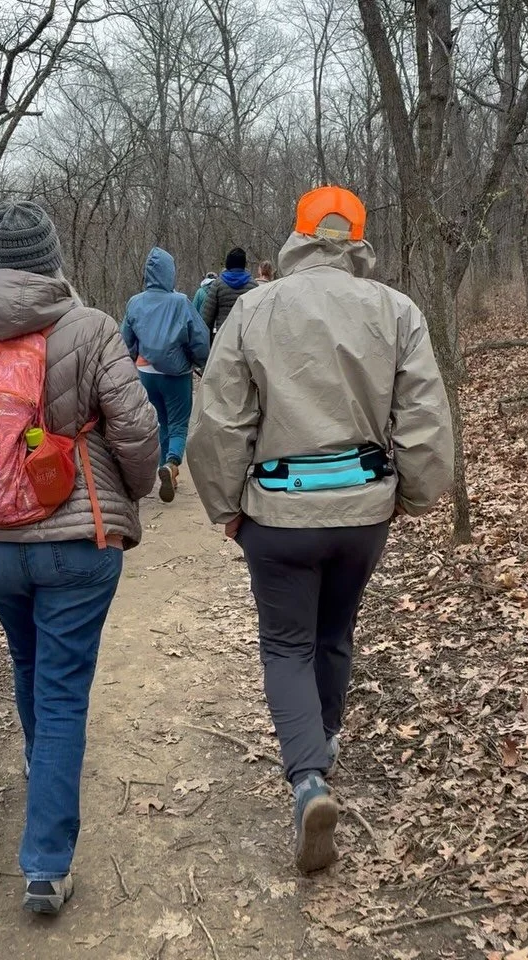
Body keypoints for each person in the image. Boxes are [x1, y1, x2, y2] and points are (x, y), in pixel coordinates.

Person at [188, 186, 453, 875]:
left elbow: (220, 422)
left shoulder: (252, 308)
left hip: (277, 514)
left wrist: (226, 506)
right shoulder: (396, 311)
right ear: (356, 238)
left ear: (299, 235)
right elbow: (423, 417)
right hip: (364, 512)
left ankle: (309, 778)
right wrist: (414, 495)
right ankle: (325, 741)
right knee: (335, 633)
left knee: (285, 643)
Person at [0, 201, 160, 914]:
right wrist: (142, 488)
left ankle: (42, 772)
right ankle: (47, 863)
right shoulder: (89, 327)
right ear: (51, 254)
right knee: (62, 688)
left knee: (28, 663)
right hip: (74, 540)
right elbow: (134, 429)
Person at [121, 247, 210, 503]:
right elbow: (200, 339)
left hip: (145, 373)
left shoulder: (135, 302)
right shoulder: (180, 302)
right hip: (176, 373)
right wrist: (202, 362)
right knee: (179, 423)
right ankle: (171, 466)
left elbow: (125, 340)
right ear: (170, 272)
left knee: (160, 421)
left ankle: (162, 466)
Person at [201, 247, 257, 341]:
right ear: (244, 264)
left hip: (223, 340)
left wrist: (209, 344)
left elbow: (207, 319)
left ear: (228, 263)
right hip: (246, 340)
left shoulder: (218, 285)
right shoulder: (253, 286)